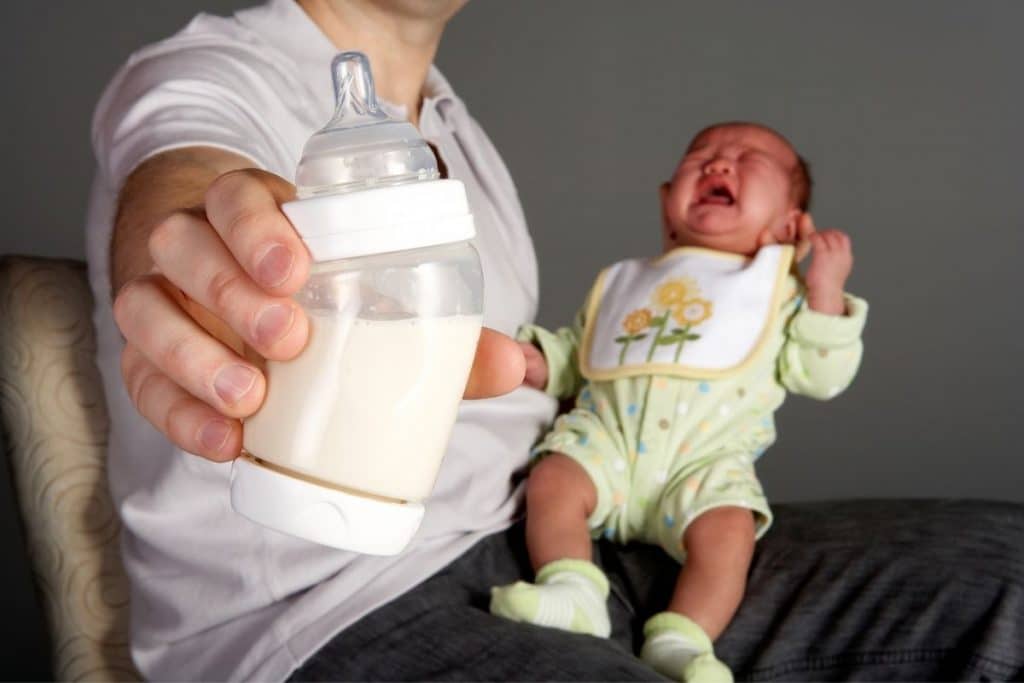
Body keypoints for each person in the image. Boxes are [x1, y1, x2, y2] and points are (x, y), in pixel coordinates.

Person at [86, 0, 1024, 680]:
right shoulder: (220, 72)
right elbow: (185, 164)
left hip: (564, 538)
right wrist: (205, 260)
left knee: (1004, 574)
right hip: (343, 601)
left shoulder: (455, 127)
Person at [489, 122, 866, 683]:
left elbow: (820, 374)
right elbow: (581, 354)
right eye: (702, 156)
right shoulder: (625, 282)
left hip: (702, 464)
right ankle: (572, 589)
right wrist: (539, 361)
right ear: (668, 206)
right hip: (606, 444)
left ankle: (682, 637)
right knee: (553, 480)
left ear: (789, 225)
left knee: (731, 530)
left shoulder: (780, 297)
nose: (718, 164)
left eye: (746, 158)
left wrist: (826, 291)